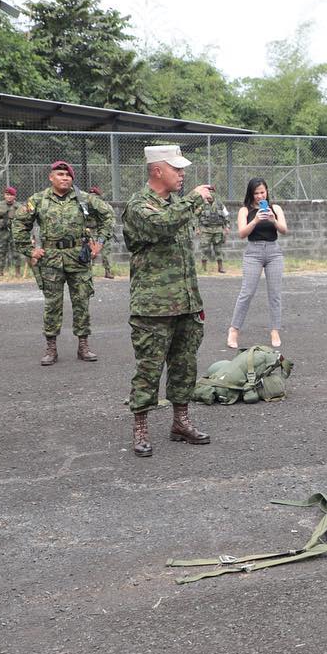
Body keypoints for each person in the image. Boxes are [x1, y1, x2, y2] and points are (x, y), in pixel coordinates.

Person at [122, 145, 214, 456]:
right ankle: (140, 427)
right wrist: (194, 200)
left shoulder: (178, 204)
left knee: (185, 365)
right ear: (157, 170)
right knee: (149, 368)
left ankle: (180, 421)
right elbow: (161, 224)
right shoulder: (138, 206)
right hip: (153, 306)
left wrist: (196, 302)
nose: (182, 173)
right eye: (176, 169)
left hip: (186, 302)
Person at [13, 160, 116, 365]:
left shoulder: (84, 199)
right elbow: (19, 223)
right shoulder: (39, 199)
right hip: (51, 258)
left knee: (82, 302)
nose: (65, 178)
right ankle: (51, 348)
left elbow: (109, 215)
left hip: (79, 257)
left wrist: (101, 242)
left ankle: (83, 345)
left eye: (68, 175)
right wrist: (29, 249)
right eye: (60, 174)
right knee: (52, 304)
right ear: (51, 177)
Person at [227, 178, 288, 350]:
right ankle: (234, 330)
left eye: (262, 192)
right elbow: (241, 234)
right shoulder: (244, 210)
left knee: (275, 294)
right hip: (253, 253)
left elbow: (284, 230)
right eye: (256, 193)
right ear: (251, 194)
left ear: (267, 191)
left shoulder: (275, 208)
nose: (260, 196)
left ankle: (275, 330)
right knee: (247, 292)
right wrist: (255, 220)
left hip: (274, 252)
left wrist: (273, 219)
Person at [198, 193, 231, 276]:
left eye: (210, 197)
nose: (209, 198)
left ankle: (220, 268)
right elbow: (196, 216)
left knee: (218, 250)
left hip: (218, 230)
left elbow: (226, 215)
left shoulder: (220, 204)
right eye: (208, 197)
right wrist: (197, 228)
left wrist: (227, 227)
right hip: (206, 230)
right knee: (204, 249)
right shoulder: (202, 205)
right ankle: (203, 268)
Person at [87, 187, 116, 278]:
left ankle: (89, 271)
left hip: (94, 230)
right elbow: (112, 218)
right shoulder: (105, 205)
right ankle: (107, 271)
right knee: (103, 251)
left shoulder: (86, 204)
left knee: (91, 251)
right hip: (99, 231)